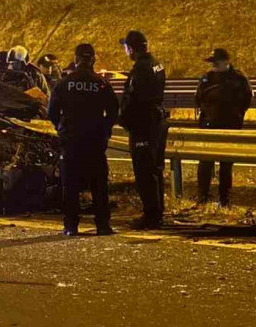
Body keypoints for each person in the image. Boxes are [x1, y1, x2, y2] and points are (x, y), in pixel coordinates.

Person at [48, 44, 119, 236]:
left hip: (71, 140)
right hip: (95, 140)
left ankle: (71, 226)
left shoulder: (64, 83)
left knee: (70, 185)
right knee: (99, 185)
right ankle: (102, 225)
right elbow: (114, 110)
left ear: (76, 58)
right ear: (93, 59)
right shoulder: (101, 83)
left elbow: (51, 111)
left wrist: (61, 128)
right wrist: (105, 129)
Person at [118, 31, 168, 229]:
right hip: (156, 122)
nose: (125, 51)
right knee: (156, 169)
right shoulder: (157, 63)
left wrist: (122, 119)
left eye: (125, 47)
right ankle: (158, 212)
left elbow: (134, 100)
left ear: (131, 48)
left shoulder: (140, 69)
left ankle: (151, 215)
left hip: (143, 125)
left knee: (144, 171)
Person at [195, 48, 253, 207]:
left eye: (216, 61)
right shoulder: (207, 79)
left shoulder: (239, 79)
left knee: (226, 165)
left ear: (227, 62)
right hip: (209, 126)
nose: (213, 64)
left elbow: (246, 100)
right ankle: (203, 198)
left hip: (230, 126)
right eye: (212, 62)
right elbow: (198, 99)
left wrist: (235, 116)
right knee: (205, 164)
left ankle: (224, 199)